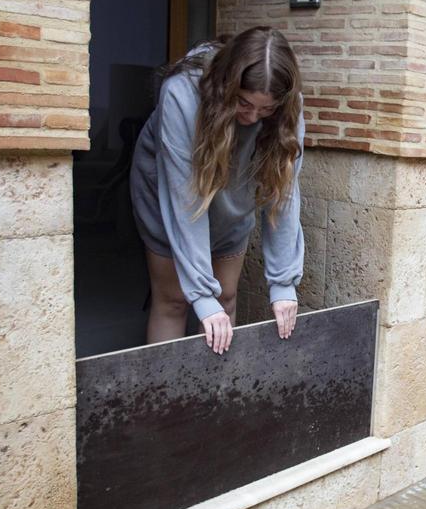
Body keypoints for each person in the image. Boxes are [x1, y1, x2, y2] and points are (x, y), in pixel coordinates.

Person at [130, 26, 305, 354]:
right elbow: (185, 199)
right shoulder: (181, 93)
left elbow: (283, 192)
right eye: (243, 103)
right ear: (226, 84)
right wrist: (199, 294)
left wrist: (283, 284)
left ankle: (215, 396)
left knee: (224, 298)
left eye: (265, 110)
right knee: (174, 300)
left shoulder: (288, 105)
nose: (253, 118)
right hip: (172, 195)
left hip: (234, 194)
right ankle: (169, 400)